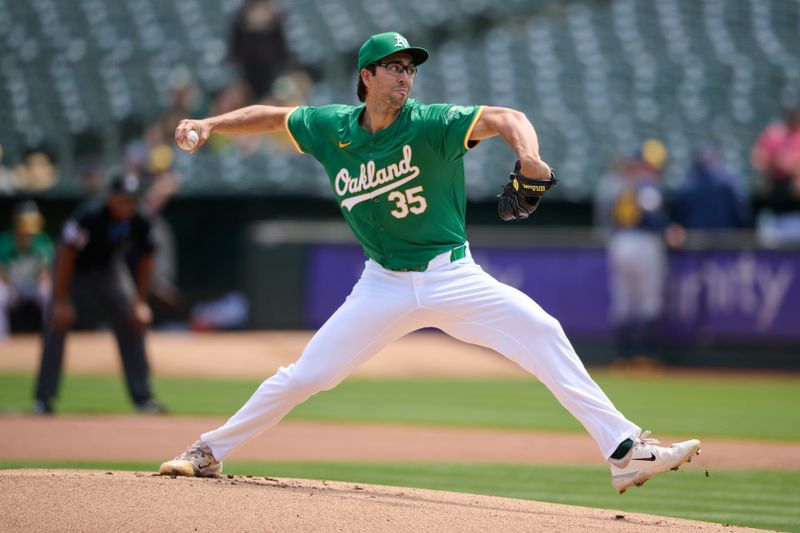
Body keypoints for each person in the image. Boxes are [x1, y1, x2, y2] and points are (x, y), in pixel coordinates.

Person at [160, 32, 700, 493]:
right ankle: (208, 450)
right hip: (382, 284)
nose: (405, 76)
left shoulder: (430, 124)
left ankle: (625, 451)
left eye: (410, 68)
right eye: (394, 67)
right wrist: (210, 123)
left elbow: (508, 116)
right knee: (307, 375)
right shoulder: (333, 128)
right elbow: (274, 117)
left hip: (451, 276)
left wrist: (528, 156)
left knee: (542, 330)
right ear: (367, 75)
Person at [33, 173, 167, 415]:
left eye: (132, 199)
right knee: (57, 321)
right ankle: (43, 399)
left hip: (109, 269)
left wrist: (139, 302)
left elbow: (147, 258)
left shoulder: (141, 217)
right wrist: (61, 300)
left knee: (132, 320)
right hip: (73, 270)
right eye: (123, 199)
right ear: (111, 197)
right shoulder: (90, 215)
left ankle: (143, 398)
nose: (128, 204)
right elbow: (65, 253)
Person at [596, 142, 671, 367]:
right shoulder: (647, 186)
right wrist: (667, 229)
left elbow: (605, 220)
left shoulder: (615, 185)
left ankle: (622, 357)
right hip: (643, 242)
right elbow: (653, 215)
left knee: (623, 301)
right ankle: (644, 356)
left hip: (619, 242)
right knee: (648, 301)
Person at [0, 201, 54, 338]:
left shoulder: (43, 241)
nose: (27, 231)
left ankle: (50, 337)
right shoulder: (5, 240)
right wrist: (10, 283)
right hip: (12, 286)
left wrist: (42, 279)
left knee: (48, 294)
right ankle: (2, 339)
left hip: (34, 286)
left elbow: (47, 271)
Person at [671, 144, 750, 231]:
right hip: (724, 241)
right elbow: (742, 217)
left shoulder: (687, 187)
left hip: (696, 241)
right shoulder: (728, 185)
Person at [751, 107, 800, 244]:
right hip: (775, 182)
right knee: (756, 199)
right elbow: (757, 159)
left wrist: (793, 165)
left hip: (794, 184)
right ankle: (751, 239)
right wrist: (775, 163)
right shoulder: (774, 134)